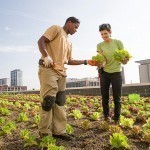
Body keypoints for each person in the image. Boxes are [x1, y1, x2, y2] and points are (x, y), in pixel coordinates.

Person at [37, 16, 90, 140]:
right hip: (49, 69)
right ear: (69, 23)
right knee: (48, 101)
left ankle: (59, 131)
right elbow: (41, 41)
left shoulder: (69, 41)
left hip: (62, 73)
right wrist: (46, 56)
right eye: (75, 27)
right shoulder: (56, 29)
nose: (76, 30)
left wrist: (86, 61)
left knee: (60, 102)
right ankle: (44, 133)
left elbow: (69, 60)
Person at [96, 24, 129, 123]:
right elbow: (102, 59)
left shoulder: (118, 42)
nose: (104, 36)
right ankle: (106, 117)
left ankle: (117, 119)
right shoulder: (100, 45)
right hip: (104, 73)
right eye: (102, 34)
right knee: (104, 96)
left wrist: (124, 60)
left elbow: (124, 60)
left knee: (117, 97)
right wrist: (100, 64)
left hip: (116, 72)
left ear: (110, 32)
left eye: (105, 33)